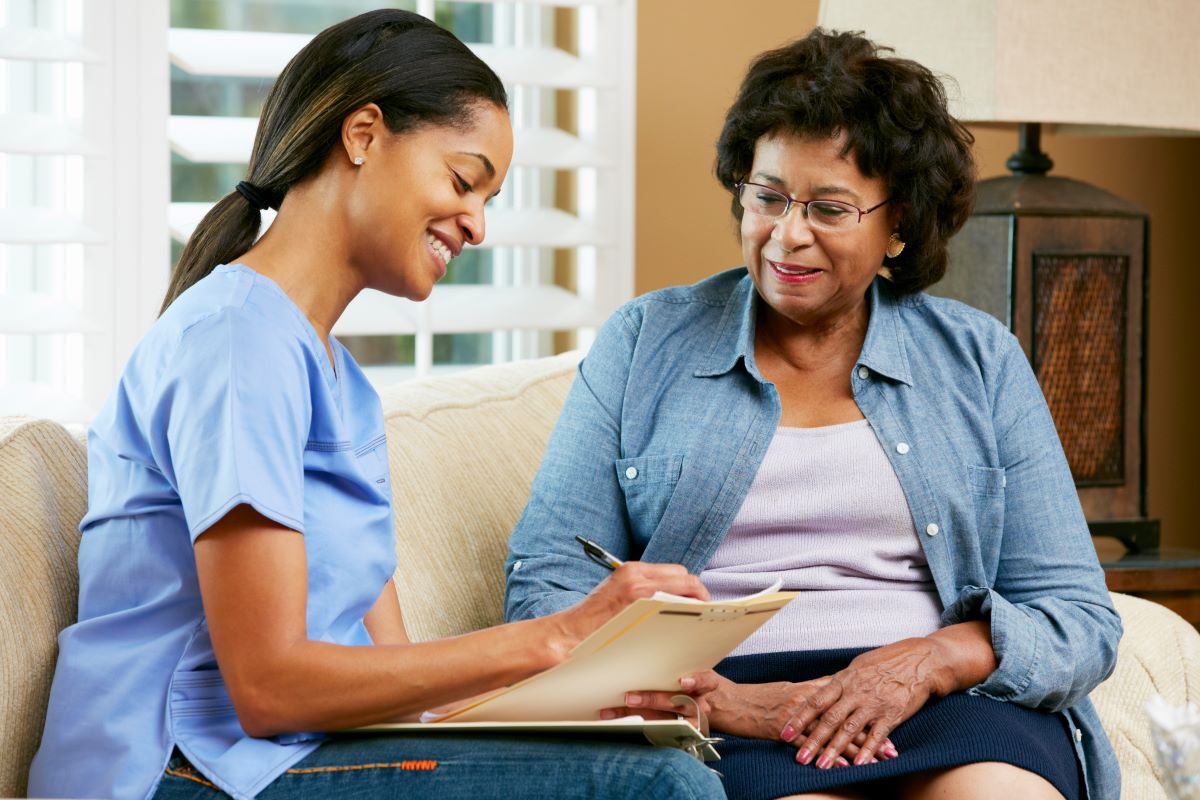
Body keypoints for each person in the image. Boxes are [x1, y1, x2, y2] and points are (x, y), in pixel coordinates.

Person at [27, 10, 726, 800]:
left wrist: (600, 696)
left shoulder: (340, 383)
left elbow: (406, 697)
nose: (478, 225)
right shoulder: (235, 344)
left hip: (291, 757)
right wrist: (555, 636)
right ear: (364, 134)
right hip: (179, 770)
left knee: (658, 761)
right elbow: (269, 689)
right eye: (465, 181)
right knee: (659, 788)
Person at [504, 28, 1122, 800]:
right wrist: (705, 699)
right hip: (733, 710)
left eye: (829, 208)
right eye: (766, 196)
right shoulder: (646, 341)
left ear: (899, 223)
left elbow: (1078, 619)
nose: (786, 234)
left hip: (939, 696)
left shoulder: (979, 359)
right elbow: (547, 583)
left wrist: (930, 659)